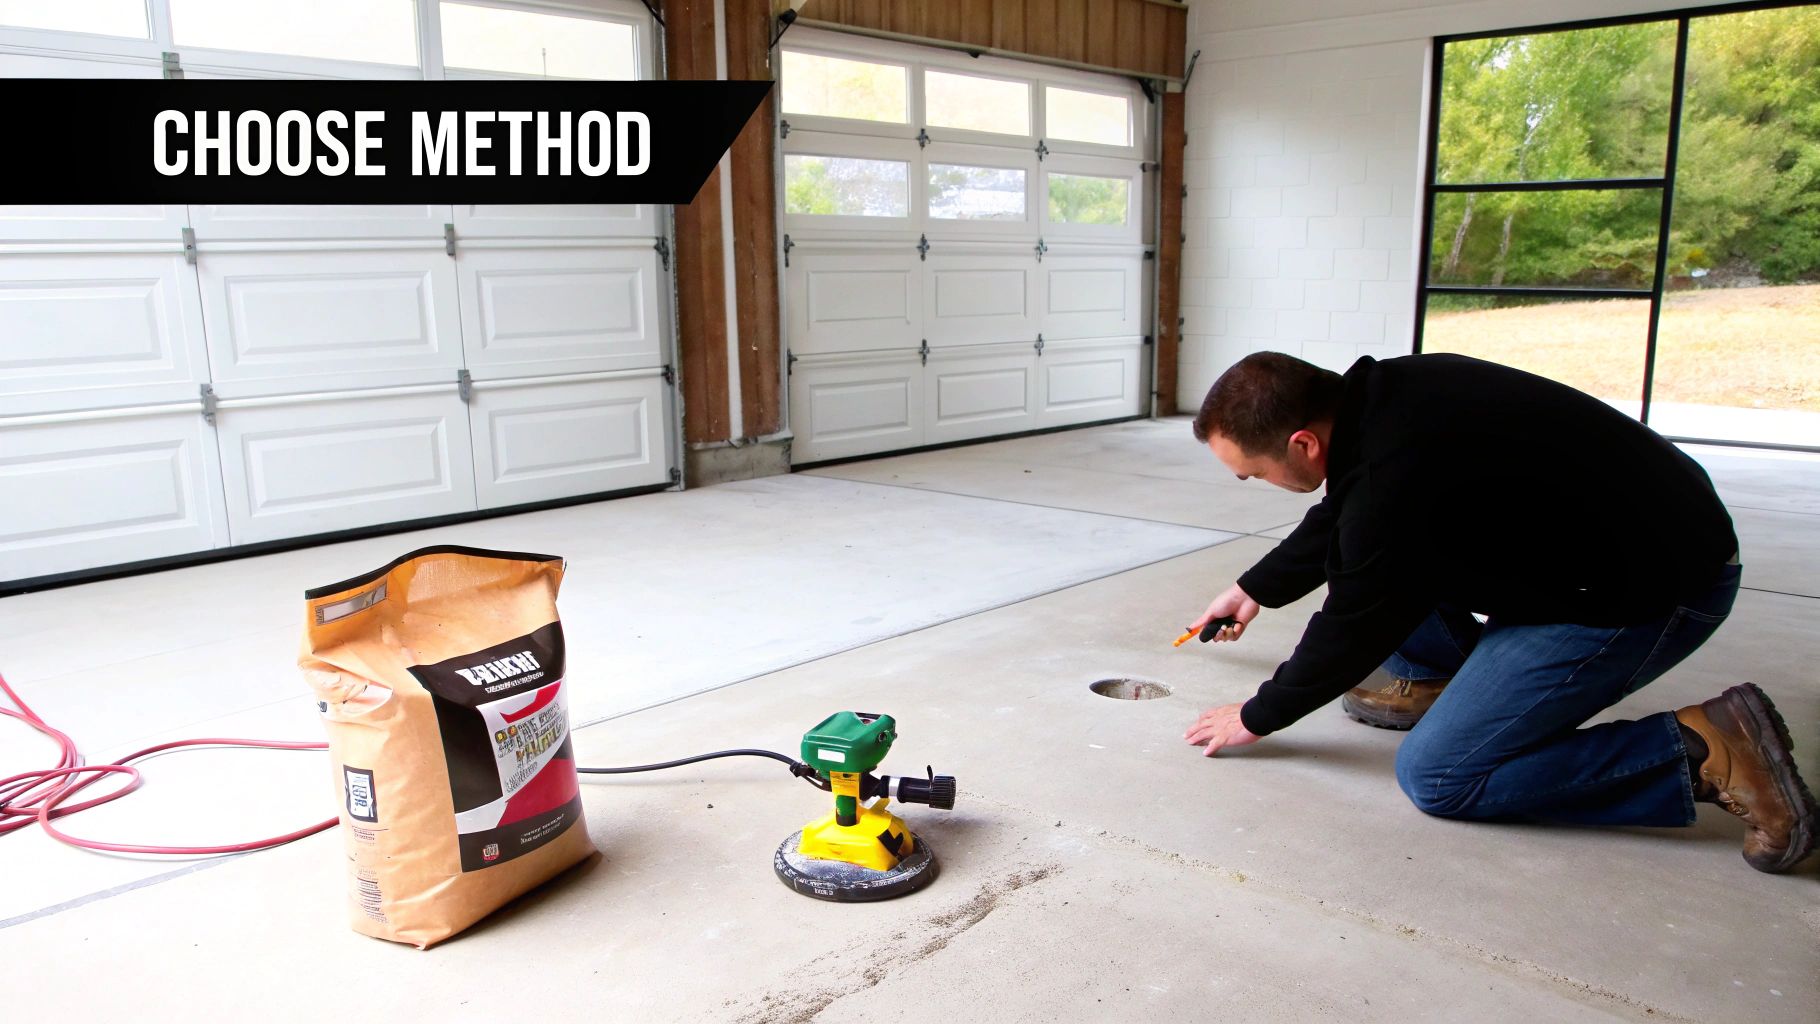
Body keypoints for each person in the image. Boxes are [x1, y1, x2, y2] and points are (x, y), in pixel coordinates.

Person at [1180, 350, 1816, 873]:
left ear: (1302, 443)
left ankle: (1705, 749)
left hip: (1651, 591)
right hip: (1628, 539)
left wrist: (1259, 714)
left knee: (1440, 777)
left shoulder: (1393, 485)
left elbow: (1355, 619)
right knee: (1385, 553)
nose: (1252, 482)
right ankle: (1439, 682)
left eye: (1252, 473)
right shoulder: (1390, 393)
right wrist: (1254, 587)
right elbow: (1350, 512)